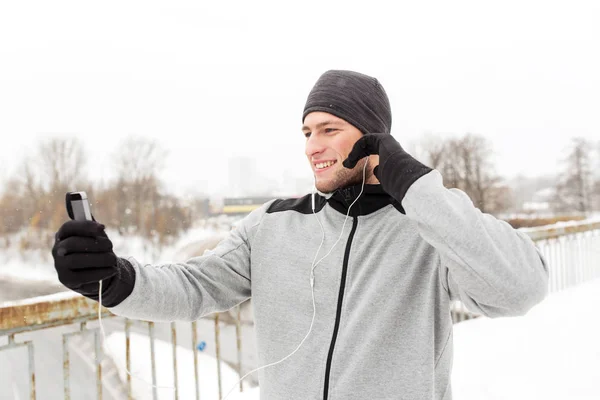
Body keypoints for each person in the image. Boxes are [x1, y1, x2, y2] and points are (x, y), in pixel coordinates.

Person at [52, 70, 549, 400]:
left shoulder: (430, 228)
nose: (313, 145)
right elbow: (195, 286)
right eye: (307, 131)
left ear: (375, 138)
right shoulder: (274, 223)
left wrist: (416, 186)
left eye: (329, 129)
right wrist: (114, 280)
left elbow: (519, 290)